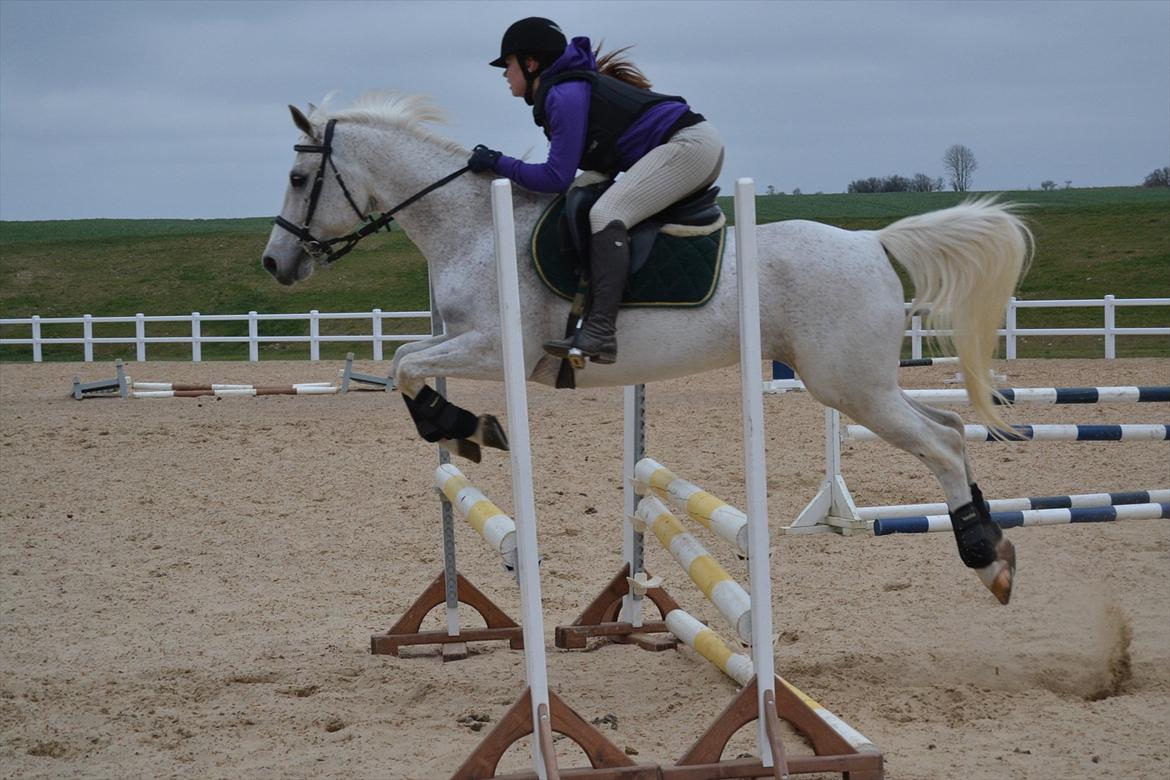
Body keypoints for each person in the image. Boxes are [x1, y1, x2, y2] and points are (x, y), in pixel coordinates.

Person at [468, 17, 724, 365]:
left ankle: (601, 330)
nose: (504, 74)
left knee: (605, 214)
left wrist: (499, 162)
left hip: (688, 147)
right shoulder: (564, 90)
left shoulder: (563, 94)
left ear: (530, 63)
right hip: (686, 145)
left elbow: (555, 177)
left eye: (508, 64)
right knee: (587, 192)